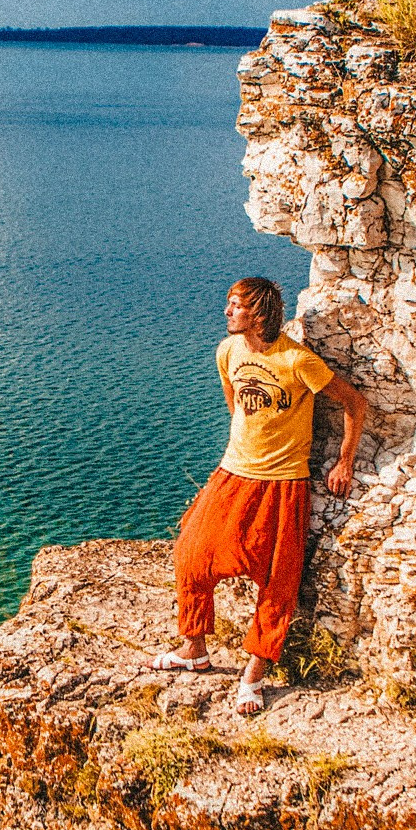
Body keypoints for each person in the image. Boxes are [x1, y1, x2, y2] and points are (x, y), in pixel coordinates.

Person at [152, 277, 367, 715]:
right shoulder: (227, 352)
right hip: (233, 472)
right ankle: (194, 648)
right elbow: (238, 410)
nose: (226, 312)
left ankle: (253, 675)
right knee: (191, 552)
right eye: (228, 305)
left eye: (235, 306)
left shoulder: (297, 360)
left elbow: (354, 403)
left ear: (259, 314)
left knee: (277, 580)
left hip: (284, 481)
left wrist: (344, 463)